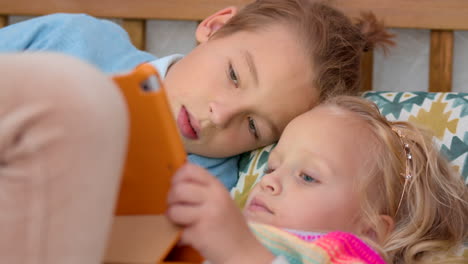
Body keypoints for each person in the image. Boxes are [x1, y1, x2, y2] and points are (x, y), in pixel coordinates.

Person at [0, 0, 393, 189]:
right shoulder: (78, 41)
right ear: (216, 26)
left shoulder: (205, 187)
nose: (219, 116)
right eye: (234, 76)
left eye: (254, 126)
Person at [167, 96, 468, 264]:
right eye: (271, 169)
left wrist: (240, 252)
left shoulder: (345, 255)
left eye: (307, 177)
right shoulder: (234, 228)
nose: (269, 183)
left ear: (370, 231)